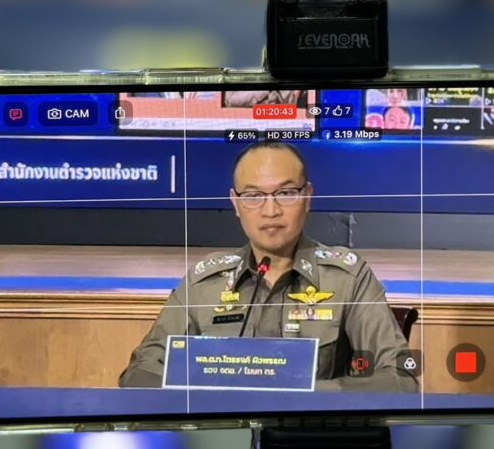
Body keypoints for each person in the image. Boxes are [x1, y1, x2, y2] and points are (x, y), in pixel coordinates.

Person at [119, 141, 418, 392]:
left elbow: (402, 377)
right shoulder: (204, 284)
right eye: (253, 196)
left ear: (308, 196)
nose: (271, 210)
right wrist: (206, 394)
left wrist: (302, 394)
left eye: (286, 194)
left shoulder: (347, 278)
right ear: (235, 203)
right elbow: (139, 373)